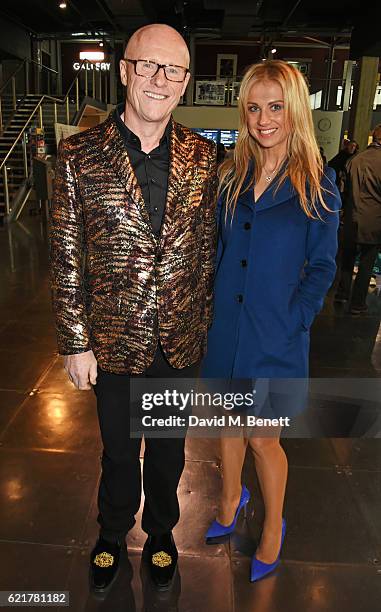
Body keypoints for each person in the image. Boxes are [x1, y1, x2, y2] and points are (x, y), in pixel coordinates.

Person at [50, 23, 217, 593]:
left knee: (169, 451)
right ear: (124, 70)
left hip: (180, 339)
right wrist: (75, 341)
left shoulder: (205, 158)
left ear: (185, 83)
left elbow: (211, 252)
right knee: (119, 454)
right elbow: (65, 256)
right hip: (113, 342)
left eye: (172, 70)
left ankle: (164, 533)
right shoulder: (77, 155)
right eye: (147, 65)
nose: (158, 79)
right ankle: (113, 532)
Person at [202, 60, 340, 582]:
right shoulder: (230, 176)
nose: (264, 119)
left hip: (276, 336)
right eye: (255, 107)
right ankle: (228, 501)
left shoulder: (317, 182)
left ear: (295, 111)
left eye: (275, 107)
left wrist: (297, 319)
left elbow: (323, 265)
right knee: (226, 427)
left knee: (263, 439)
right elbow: (217, 250)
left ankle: (273, 525)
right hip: (225, 331)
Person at [334, 125, 381, 314]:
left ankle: (342, 293)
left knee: (347, 260)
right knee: (366, 264)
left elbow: (343, 189)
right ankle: (358, 303)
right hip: (374, 220)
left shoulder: (355, 159)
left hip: (352, 217)